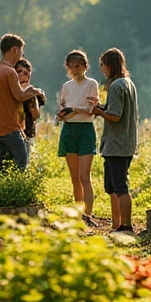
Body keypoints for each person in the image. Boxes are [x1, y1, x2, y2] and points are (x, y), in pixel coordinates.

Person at [91, 48, 138, 234]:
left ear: (109, 65)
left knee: (120, 186)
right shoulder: (128, 83)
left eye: (102, 64)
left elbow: (115, 116)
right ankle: (118, 224)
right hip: (125, 142)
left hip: (117, 144)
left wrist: (99, 112)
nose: (101, 69)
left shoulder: (116, 86)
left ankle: (126, 226)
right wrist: (103, 108)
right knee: (113, 186)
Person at [0, 33, 41, 172]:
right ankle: (18, 192)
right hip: (10, 128)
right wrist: (33, 91)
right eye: (21, 52)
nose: (21, 55)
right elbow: (19, 96)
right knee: (20, 166)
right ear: (14, 50)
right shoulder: (9, 72)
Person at [57, 50, 100, 223]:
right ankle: (78, 213)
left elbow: (90, 110)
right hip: (69, 130)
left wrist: (74, 110)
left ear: (85, 66)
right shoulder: (67, 87)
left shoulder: (91, 84)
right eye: (71, 66)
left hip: (85, 130)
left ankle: (87, 215)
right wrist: (64, 114)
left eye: (78, 66)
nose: (75, 70)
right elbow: (63, 111)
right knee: (75, 178)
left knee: (84, 176)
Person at [14, 57, 46, 141]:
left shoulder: (32, 92)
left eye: (25, 73)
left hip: (27, 132)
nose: (21, 75)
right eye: (19, 71)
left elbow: (35, 115)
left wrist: (31, 94)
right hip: (10, 132)